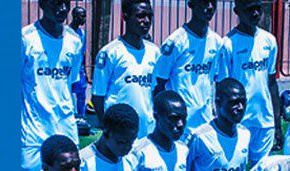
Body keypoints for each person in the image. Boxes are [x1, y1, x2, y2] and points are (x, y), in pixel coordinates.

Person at [21, 0, 83, 171]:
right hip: (34, 133)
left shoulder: (75, 41)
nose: (63, 9)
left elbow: (69, 82)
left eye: (65, 3)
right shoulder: (25, 39)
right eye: (56, 3)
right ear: (42, 4)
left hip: (66, 131)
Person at [218, 0, 283, 161]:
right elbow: (222, 88)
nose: (255, 14)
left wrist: (277, 122)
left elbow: (272, 82)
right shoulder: (228, 44)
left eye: (258, 9)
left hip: (264, 120)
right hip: (239, 121)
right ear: (237, 11)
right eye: (249, 9)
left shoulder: (269, 40)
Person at [152, 0, 223, 140]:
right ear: (191, 4)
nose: (209, 7)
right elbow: (158, 85)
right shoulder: (175, 42)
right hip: (179, 125)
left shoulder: (217, 42)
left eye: (213, 3)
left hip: (206, 123)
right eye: (204, 2)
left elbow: (217, 82)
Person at [91, 0, 160, 138]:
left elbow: (156, 92)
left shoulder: (155, 52)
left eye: (149, 16)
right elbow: (98, 97)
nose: (146, 21)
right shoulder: (110, 52)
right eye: (140, 16)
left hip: (148, 132)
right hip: (119, 135)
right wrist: (108, 129)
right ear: (125, 16)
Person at [187, 78, 260, 171]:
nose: (240, 107)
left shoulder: (245, 134)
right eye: (234, 102)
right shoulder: (201, 137)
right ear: (218, 103)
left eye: (243, 102)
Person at [132, 91, 197, 171]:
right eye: (173, 118)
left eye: (183, 118)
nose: (180, 124)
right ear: (156, 116)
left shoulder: (183, 150)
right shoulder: (138, 152)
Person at [69, 6, 89, 117]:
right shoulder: (66, 33)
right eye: (82, 16)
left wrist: (85, 71)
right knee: (68, 94)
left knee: (81, 94)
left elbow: (83, 53)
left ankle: (82, 116)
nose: (85, 19)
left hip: (80, 70)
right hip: (70, 70)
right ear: (75, 17)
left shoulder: (82, 33)